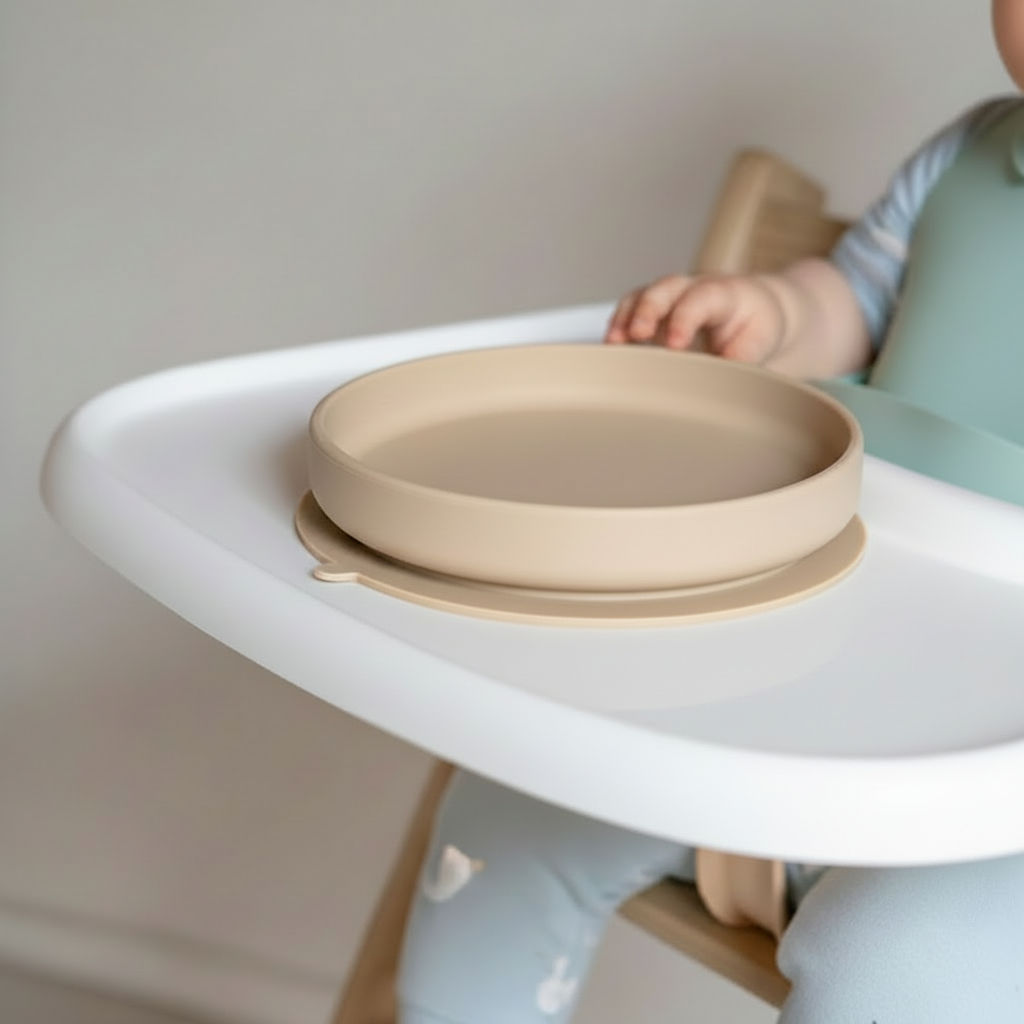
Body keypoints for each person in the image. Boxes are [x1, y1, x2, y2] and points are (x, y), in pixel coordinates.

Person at [396, 3, 1024, 1021]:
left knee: (896, 973)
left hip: (996, 806)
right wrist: (772, 316)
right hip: (797, 659)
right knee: (512, 800)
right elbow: (853, 301)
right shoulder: (969, 157)